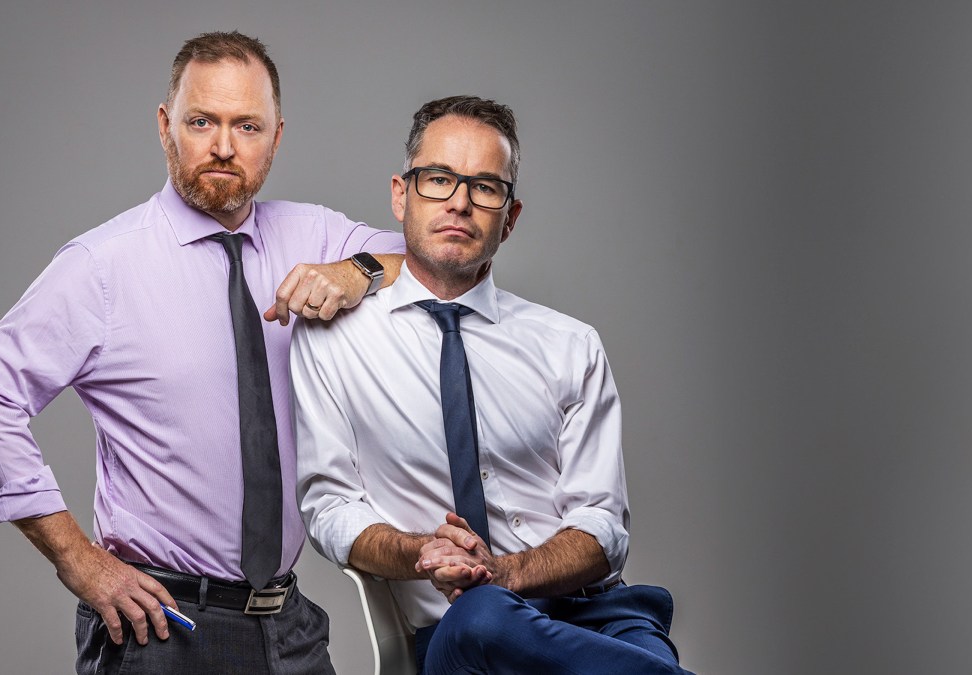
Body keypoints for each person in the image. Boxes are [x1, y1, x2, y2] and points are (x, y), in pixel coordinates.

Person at [0, 31, 405, 674]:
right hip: (162, 626)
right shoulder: (102, 266)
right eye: (201, 121)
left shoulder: (314, 233)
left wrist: (358, 271)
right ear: (165, 126)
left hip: (288, 628)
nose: (223, 146)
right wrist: (77, 559)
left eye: (247, 125)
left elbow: (428, 258)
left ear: (276, 136)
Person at [292, 95, 693, 674]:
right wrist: (422, 553)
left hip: (598, 615)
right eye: (438, 179)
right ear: (401, 193)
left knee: (617, 643)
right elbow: (330, 506)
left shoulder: (569, 344)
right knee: (483, 617)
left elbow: (602, 525)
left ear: (511, 214)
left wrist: (503, 573)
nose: (459, 201)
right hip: (462, 629)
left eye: (485, 187)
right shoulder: (333, 338)